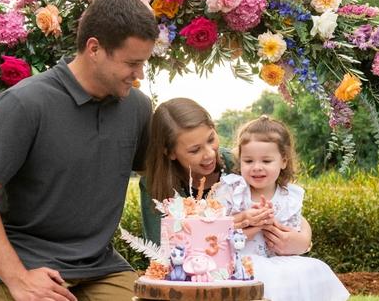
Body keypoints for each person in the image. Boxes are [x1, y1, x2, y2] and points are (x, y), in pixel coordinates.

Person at [0, 0, 159, 301]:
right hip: (28, 264)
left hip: (101, 266)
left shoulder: (137, 107)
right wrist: (18, 279)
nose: (139, 74)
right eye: (132, 63)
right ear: (94, 49)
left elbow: (160, 175)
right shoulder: (25, 103)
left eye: (143, 63)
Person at [141, 98, 311, 257]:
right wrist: (225, 226)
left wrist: (303, 241)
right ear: (170, 152)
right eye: (195, 150)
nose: (209, 154)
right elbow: (161, 249)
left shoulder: (239, 164)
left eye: (211, 139)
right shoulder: (156, 183)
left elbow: (285, 207)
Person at [214, 115, 350, 301]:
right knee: (261, 273)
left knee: (313, 268)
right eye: (248, 161)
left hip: (279, 260)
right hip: (243, 260)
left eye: (266, 161)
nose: (257, 167)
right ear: (240, 161)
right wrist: (246, 224)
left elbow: (291, 237)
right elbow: (214, 231)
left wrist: (272, 225)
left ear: (283, 161)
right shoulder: (233, 190)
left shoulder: (289, 197)